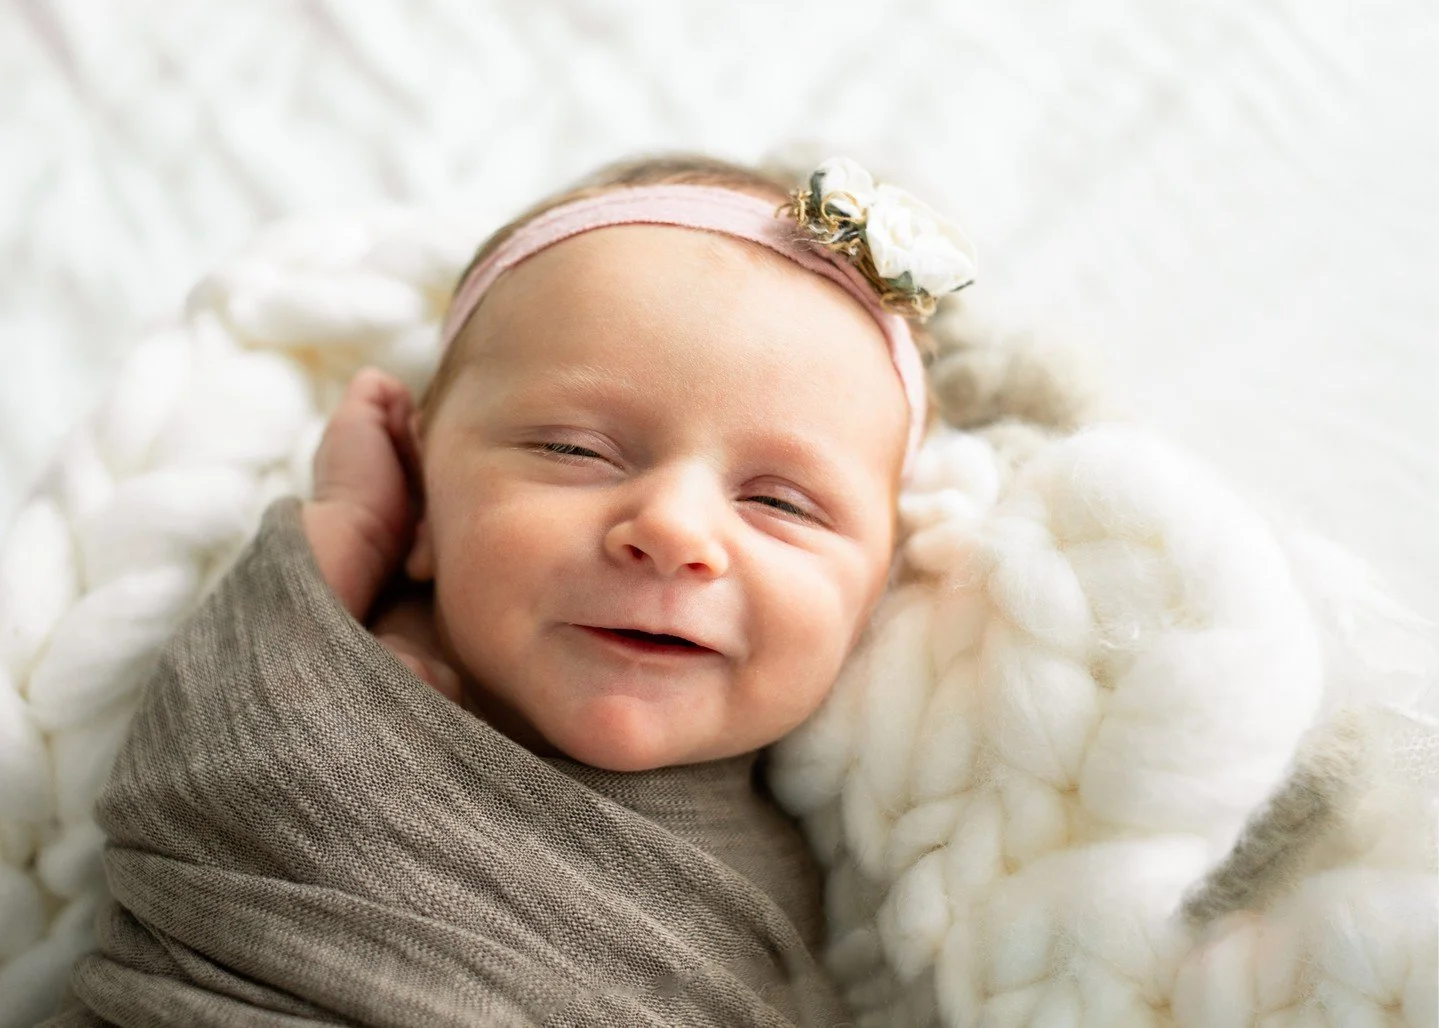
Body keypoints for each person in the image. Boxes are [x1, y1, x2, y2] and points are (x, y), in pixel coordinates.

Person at [48, 153, 976, 1026]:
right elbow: (206, 777)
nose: (673, 531)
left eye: (780, 503)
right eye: (573, 450)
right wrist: (352, 525)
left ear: (874, 593)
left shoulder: (828, 879)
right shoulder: (319, 687)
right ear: (423, 494)